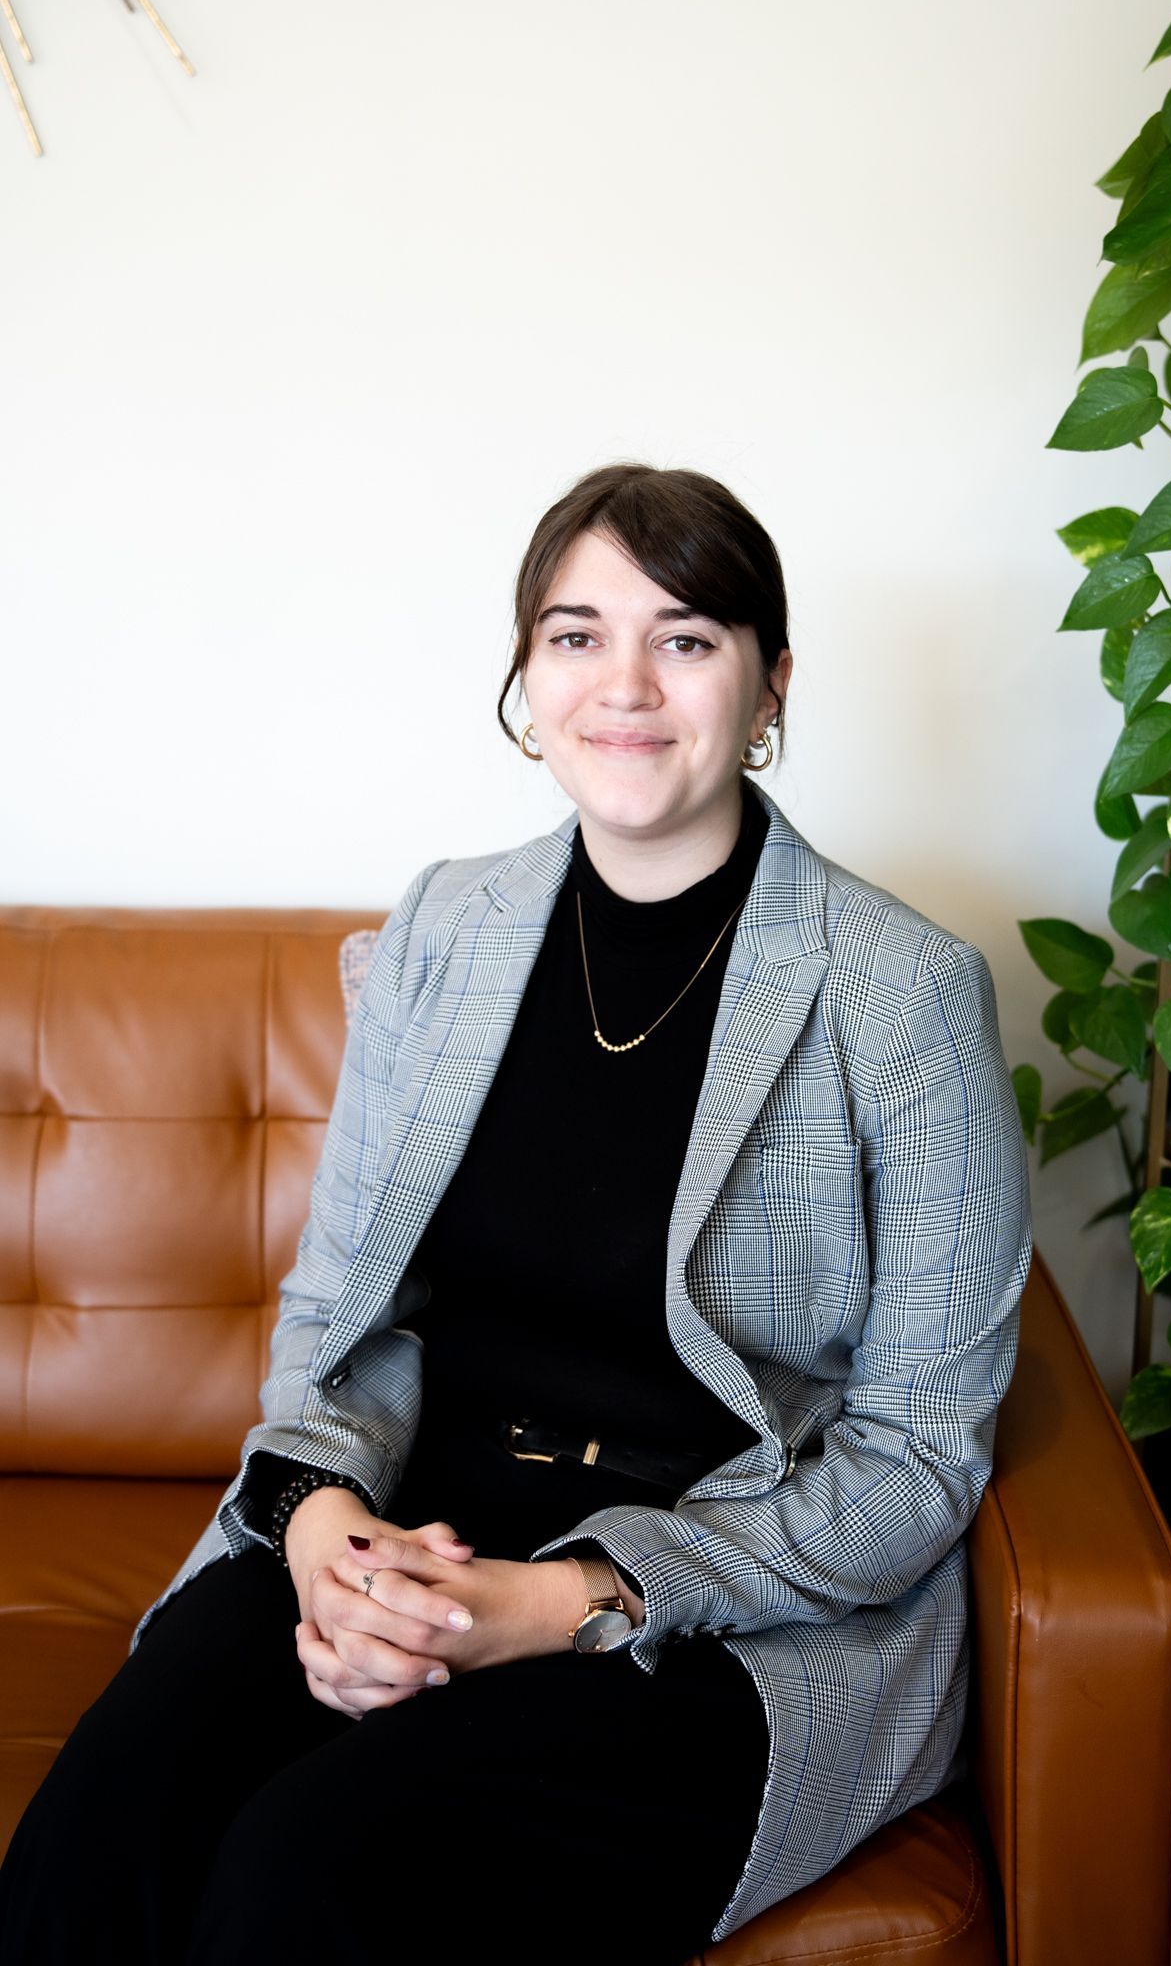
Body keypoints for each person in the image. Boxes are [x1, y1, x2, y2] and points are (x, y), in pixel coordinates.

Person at [0, 462, 1033, 1964]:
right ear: (524, 677)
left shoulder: (903, 993)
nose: (622, 685)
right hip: (414, 1520)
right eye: (573, 634)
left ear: (768, 689)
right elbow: (336, 1311)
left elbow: (920, 1454)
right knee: (96, 1840)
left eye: (683, 639)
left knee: (306, 1877)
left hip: (712, 1587)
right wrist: (323, 1539)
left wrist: (563, 1607)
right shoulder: (444, 929)